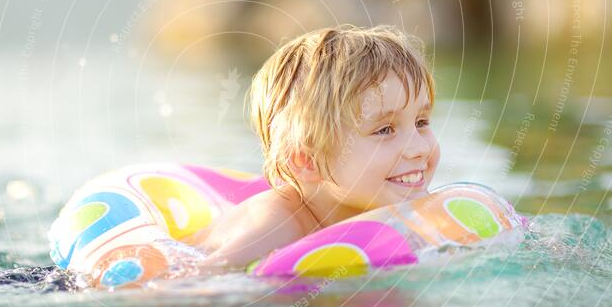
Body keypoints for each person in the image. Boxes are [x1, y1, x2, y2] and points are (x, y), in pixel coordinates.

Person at [186, 25, 440, 268]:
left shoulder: (408, 207)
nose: (419, 148)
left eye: (421, 122)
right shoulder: (276, 227)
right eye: (384, 130)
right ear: (306, 160)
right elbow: (202, 286)